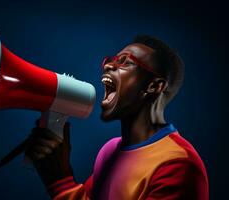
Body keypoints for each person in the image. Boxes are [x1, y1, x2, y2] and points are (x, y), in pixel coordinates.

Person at [25, 35, 209, 200]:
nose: (107, 65)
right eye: (111, 60)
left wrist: (61, 183)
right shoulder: (110, 150)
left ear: (154, 86)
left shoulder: (177, 165)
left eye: (125, 62)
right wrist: (52, 167)